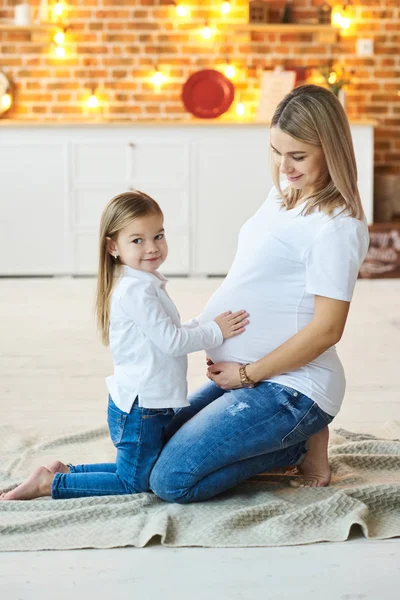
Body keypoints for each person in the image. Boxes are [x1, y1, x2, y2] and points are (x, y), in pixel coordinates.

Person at [148, 84, 370, 504]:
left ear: (331, 150)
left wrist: (248, 375)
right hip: (251, 374)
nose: (284, 166)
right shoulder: (283, 196)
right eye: (276, 151)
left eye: (298, 156)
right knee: (150, 448)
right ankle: (289, 439)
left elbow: (327, 330)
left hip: (292, 388)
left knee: (171, 480)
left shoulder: (337, 227)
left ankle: (300, 443)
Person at [0, 191, 249, 501]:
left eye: (158, 235)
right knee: (133, 482)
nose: (152, 247)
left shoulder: (141, 281)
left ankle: (63, 471)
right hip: (142, 408)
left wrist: (203, 323)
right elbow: (172, 342)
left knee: (133, 469)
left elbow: (164, 334)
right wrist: (215, 331)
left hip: (144, 403)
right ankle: (48, 485)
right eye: (138, 240)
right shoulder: (136, 290)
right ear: (112, 246)